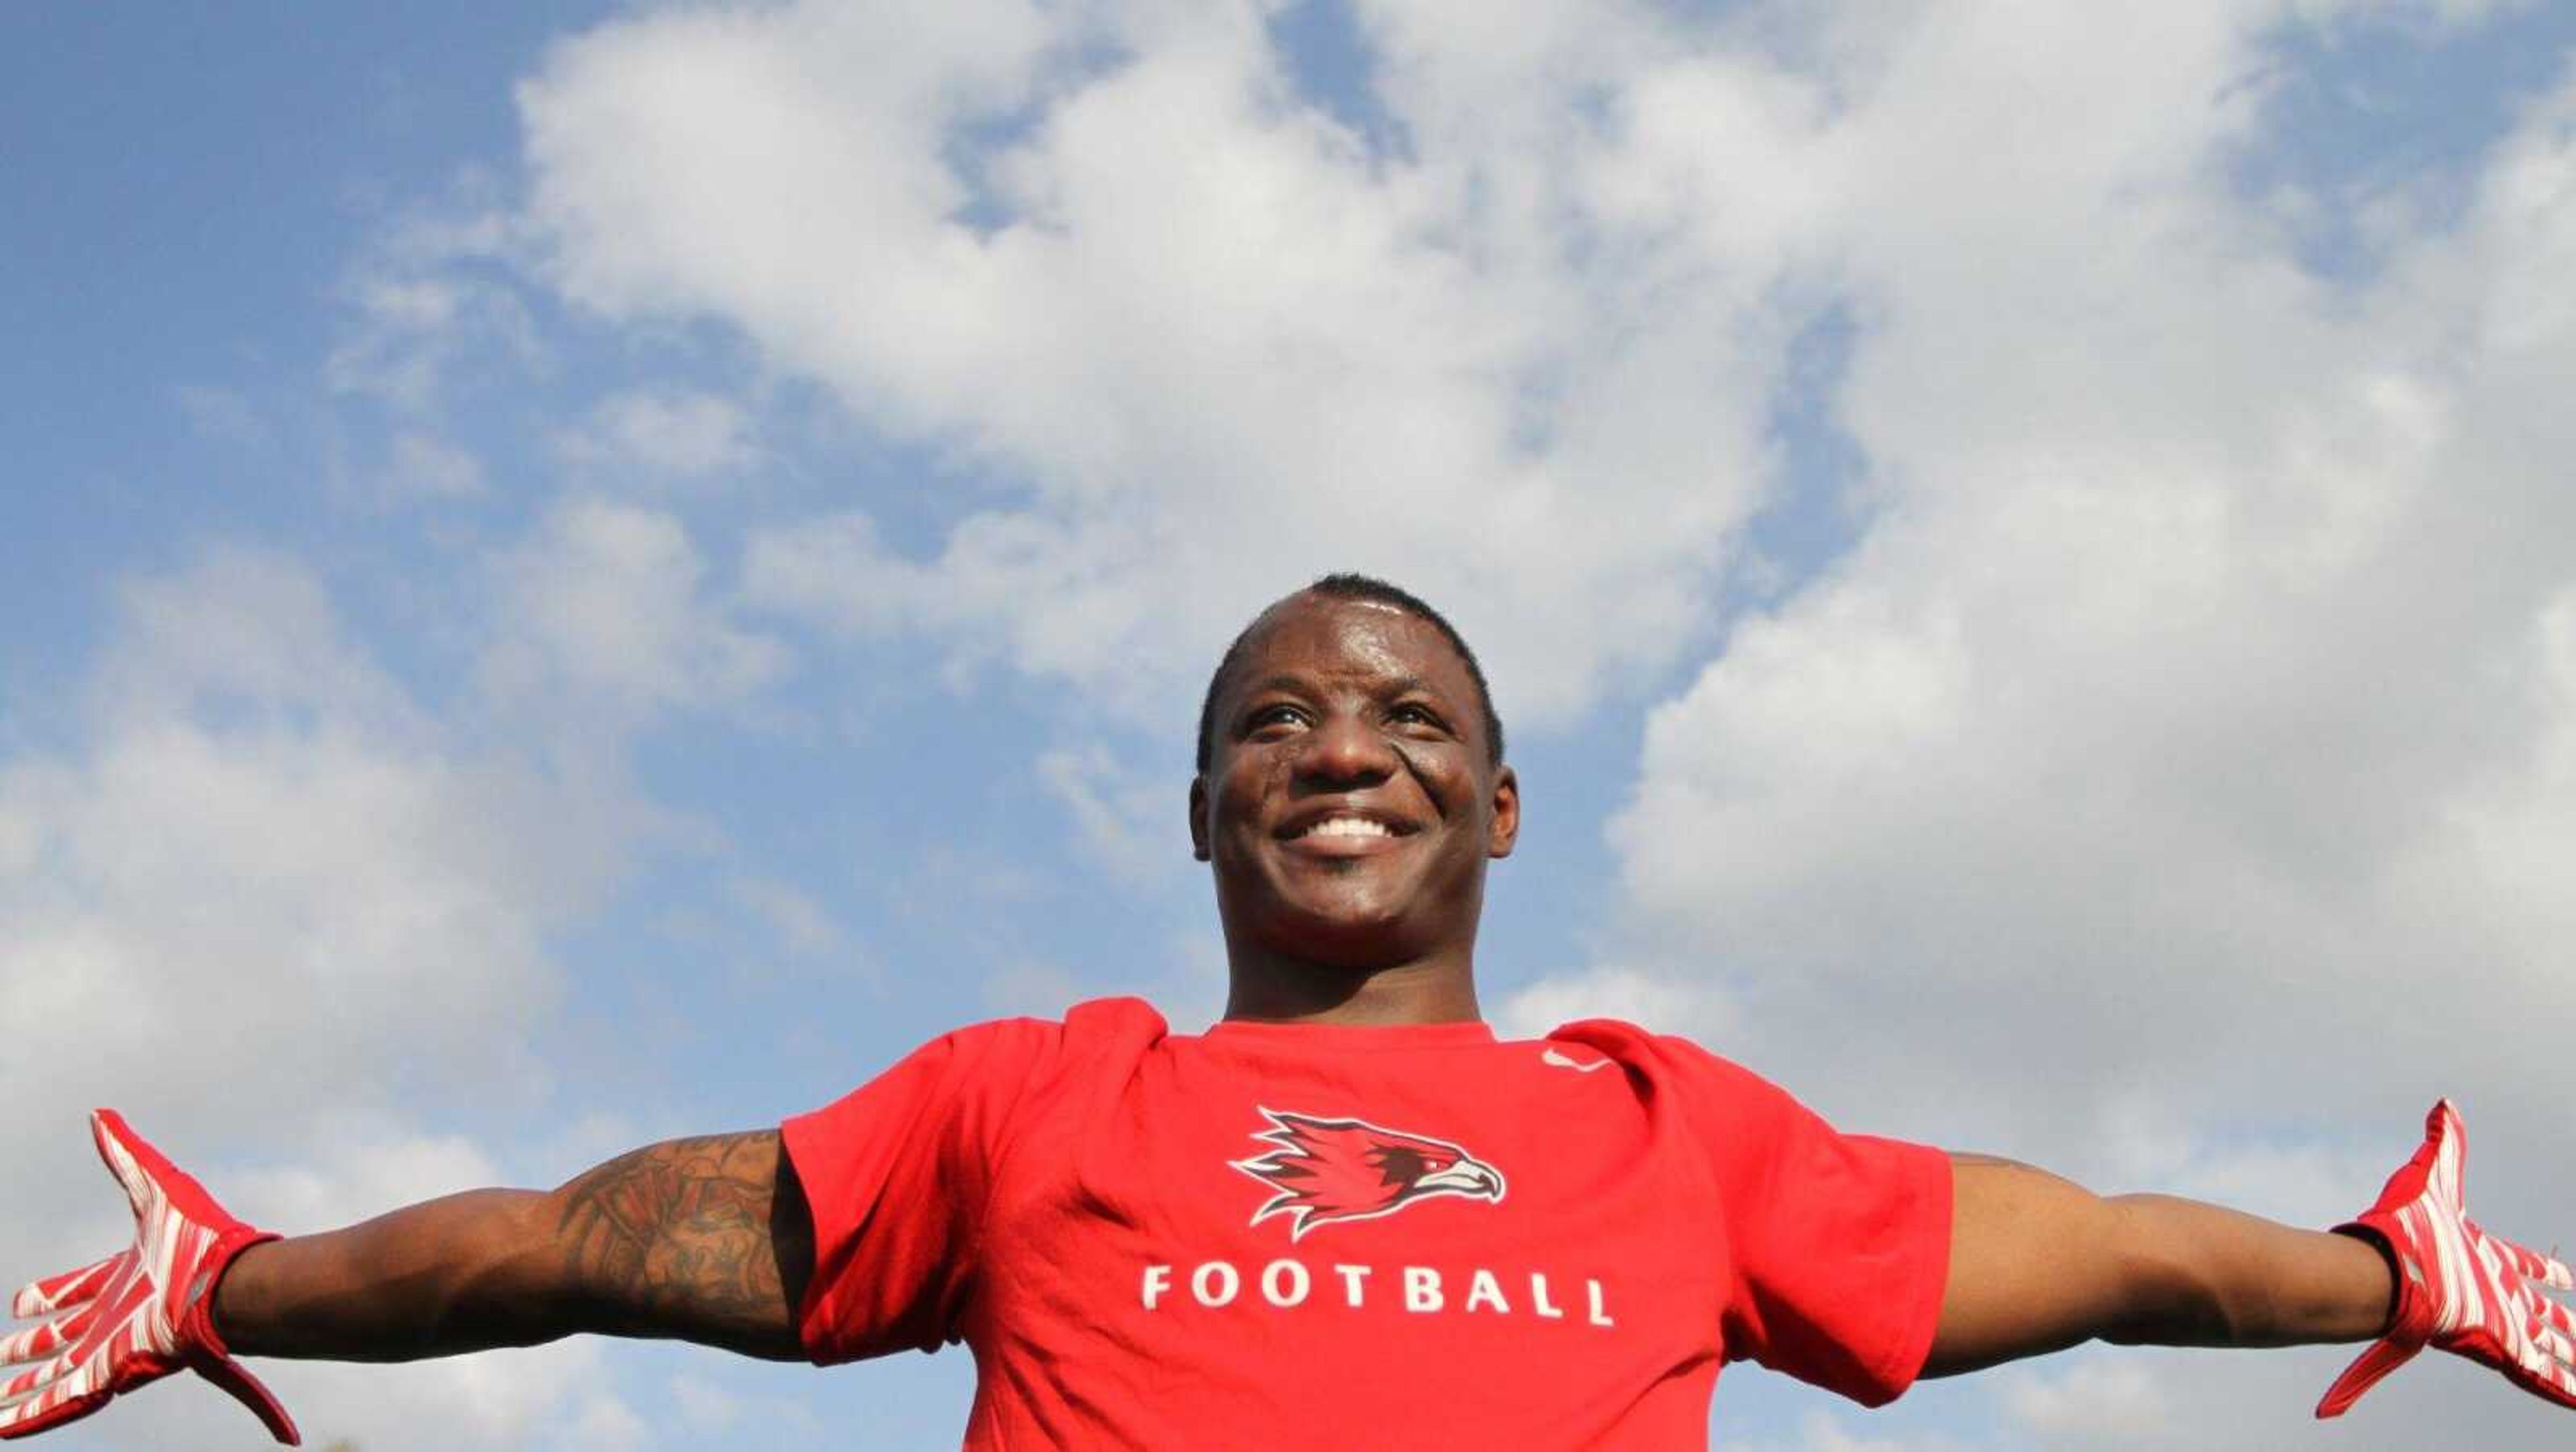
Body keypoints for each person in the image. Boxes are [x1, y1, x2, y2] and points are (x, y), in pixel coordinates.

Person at [3, 574, 2569, 1447]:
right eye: (1274, 722)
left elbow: (2111, 1249)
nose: (1343, 745)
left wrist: (2403, 1270)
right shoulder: (1046, 1094)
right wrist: (215, 1289)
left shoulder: (1665, 1125)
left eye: (1410, 719)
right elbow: (569, 1240)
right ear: (1203, 812)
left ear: (1506, 808)